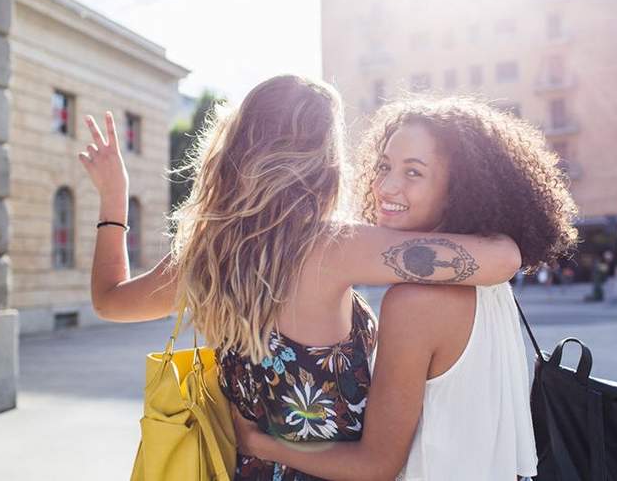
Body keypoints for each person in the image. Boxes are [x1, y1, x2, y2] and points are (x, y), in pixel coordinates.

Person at [78, 76, 524, 480]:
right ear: (324, 161)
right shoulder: (335, 246)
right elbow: (502, 260)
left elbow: (109, 301)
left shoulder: (205, 256)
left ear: (238, 147)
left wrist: (114, 198)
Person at [234, 96, 578, 480]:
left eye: (413, 173)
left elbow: (375, 466)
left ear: (459, 188)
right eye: (384, 167)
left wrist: (256, 441)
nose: (385, 187)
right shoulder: (491, 285)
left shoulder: (416, 303)